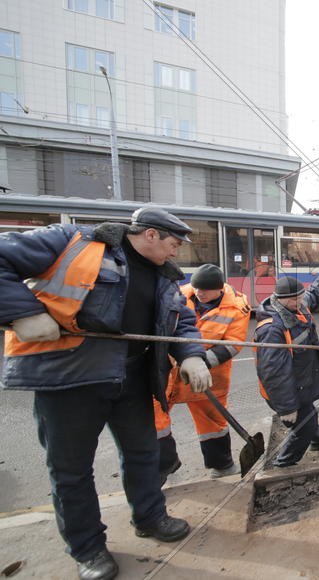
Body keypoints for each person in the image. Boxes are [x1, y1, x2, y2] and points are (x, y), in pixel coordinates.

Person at [0, 208, 212, 580]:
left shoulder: (165, 277)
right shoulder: (73, 243)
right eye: (173, 244)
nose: (175, 253)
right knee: (71, 470)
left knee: (144, 454)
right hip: (70, 379)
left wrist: (192, 356)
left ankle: (150, 517)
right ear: (150, 235)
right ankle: (88, 548)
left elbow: (183, 321)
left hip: (131, 377)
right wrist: (22, 313)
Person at [153, 264, 251, 482]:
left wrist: (198, 362)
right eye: (197, 288)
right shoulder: (178, 294)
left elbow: (234, 344)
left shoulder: (237, 306)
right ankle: (162, 468)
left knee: (212, 421)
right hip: (167, 370)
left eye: (205, 290)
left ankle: (222, 464)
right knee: (155, 419)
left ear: (219, 290)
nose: (199, 293)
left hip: (209, 374)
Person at [254, 268, 319, 467]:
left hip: (302, 381)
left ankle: (318, 439)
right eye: (295, 300)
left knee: (308, 413)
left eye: (300, 298)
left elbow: (312, 294)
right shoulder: (272, 329)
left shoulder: (298, 306)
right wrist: (287, 407)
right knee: (303, 425)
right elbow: (274, 374)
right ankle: (284, 464)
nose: (300, 302)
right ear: (281, 299)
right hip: (288, 389)